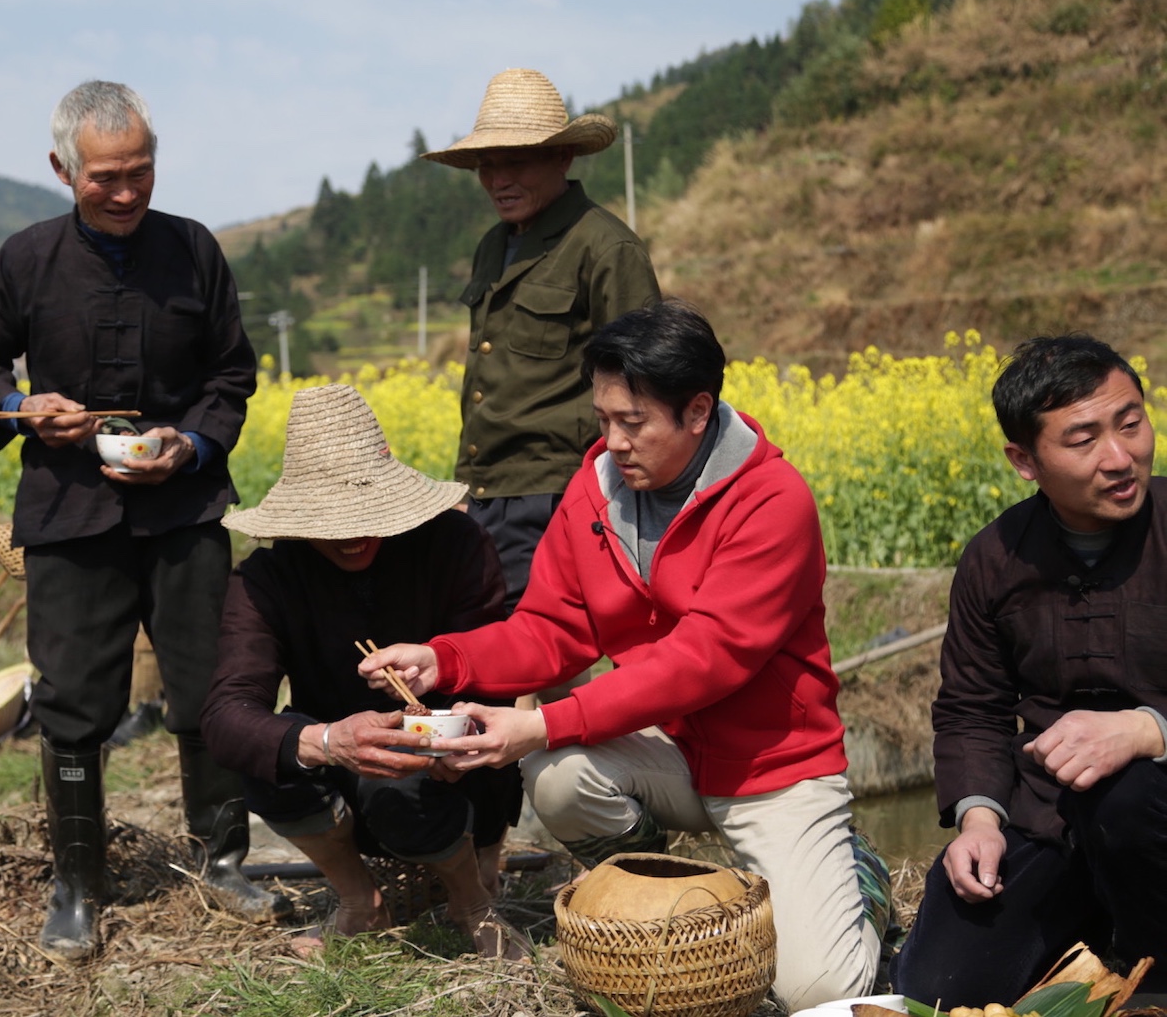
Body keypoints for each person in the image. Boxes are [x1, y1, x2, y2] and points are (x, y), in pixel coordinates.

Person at [361, 301, 890, 1008]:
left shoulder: (772, 501)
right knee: (558, 776)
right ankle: (653, 891)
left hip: (774, 769)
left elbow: (705, 659)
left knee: (815, 993)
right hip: (669, 753)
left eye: (631, 422)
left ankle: (862, 878)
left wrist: (542, 722)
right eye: (603, 419)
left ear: (697, 411)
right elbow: (552, 628)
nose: (611, 441)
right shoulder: (595, 491)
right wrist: (444, 660)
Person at [0, 79, 288, 961]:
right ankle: (79, 881)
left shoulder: (196, 252)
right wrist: (23, 408)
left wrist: (196, 446)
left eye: (142, 171)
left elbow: (231, 377)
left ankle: (222, 861)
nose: (129, 192)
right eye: (107, 177)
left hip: (183, 510)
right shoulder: (26, 259)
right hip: (68, 513)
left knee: (212, 683)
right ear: (62, 170)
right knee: (71, 701)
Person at [201, 383, 527, 959]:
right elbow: (226, 712)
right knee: (263, 755)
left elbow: (495, 663)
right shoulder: (267, 579)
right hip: (338, 773)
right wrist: (325, 740)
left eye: (366, 515)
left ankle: (472, 900)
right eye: (333, 522)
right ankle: (359, 901)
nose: (352, 536)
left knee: (398, 784)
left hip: (452, 766)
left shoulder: (455, 544)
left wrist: (458, 734)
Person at [892, 335, 1167, 1007]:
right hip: (1050, 819)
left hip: (1157, 819)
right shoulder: (994, 559)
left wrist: (1147, 729)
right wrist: (980, 821)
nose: (1119, 456)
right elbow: (973, 708)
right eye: (1083, 439)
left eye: (1131, 423)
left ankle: (1150, 974)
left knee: (1126, 794)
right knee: (940, 991)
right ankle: (1097, 922)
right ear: (1024, 460)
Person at [422, 67, 661, 614]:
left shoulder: (606, 248)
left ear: (563, 158)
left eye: (517, 160)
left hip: (559, 488)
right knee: (518, 644)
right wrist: (468, 486)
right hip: (490, 490)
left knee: (525, 642)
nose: (498, 178)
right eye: (487, 163)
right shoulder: (493, 245)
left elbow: (644, 386)